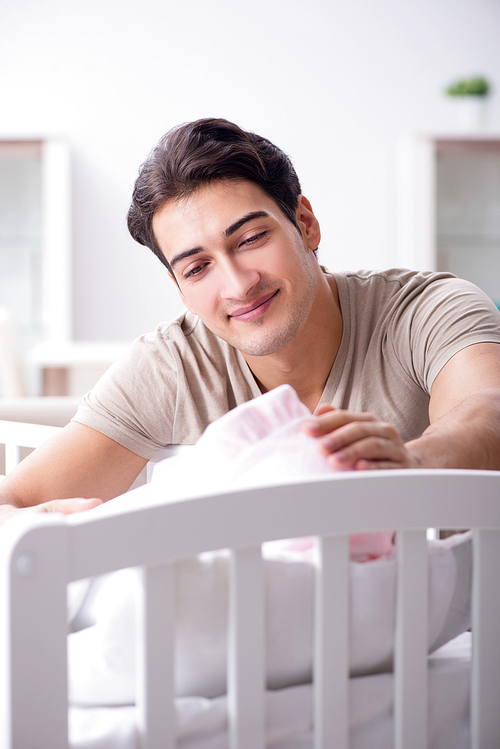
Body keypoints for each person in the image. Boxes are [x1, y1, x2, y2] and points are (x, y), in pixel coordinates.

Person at [1, 117, 500, 525]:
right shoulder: (172, 364)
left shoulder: (428, 309)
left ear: (304, 222)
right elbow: (15, 500)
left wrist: (414, 463)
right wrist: (30, 526)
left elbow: (488, 409)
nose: (238, 285)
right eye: (197, 268)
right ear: (178, 288)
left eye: (250, 239)